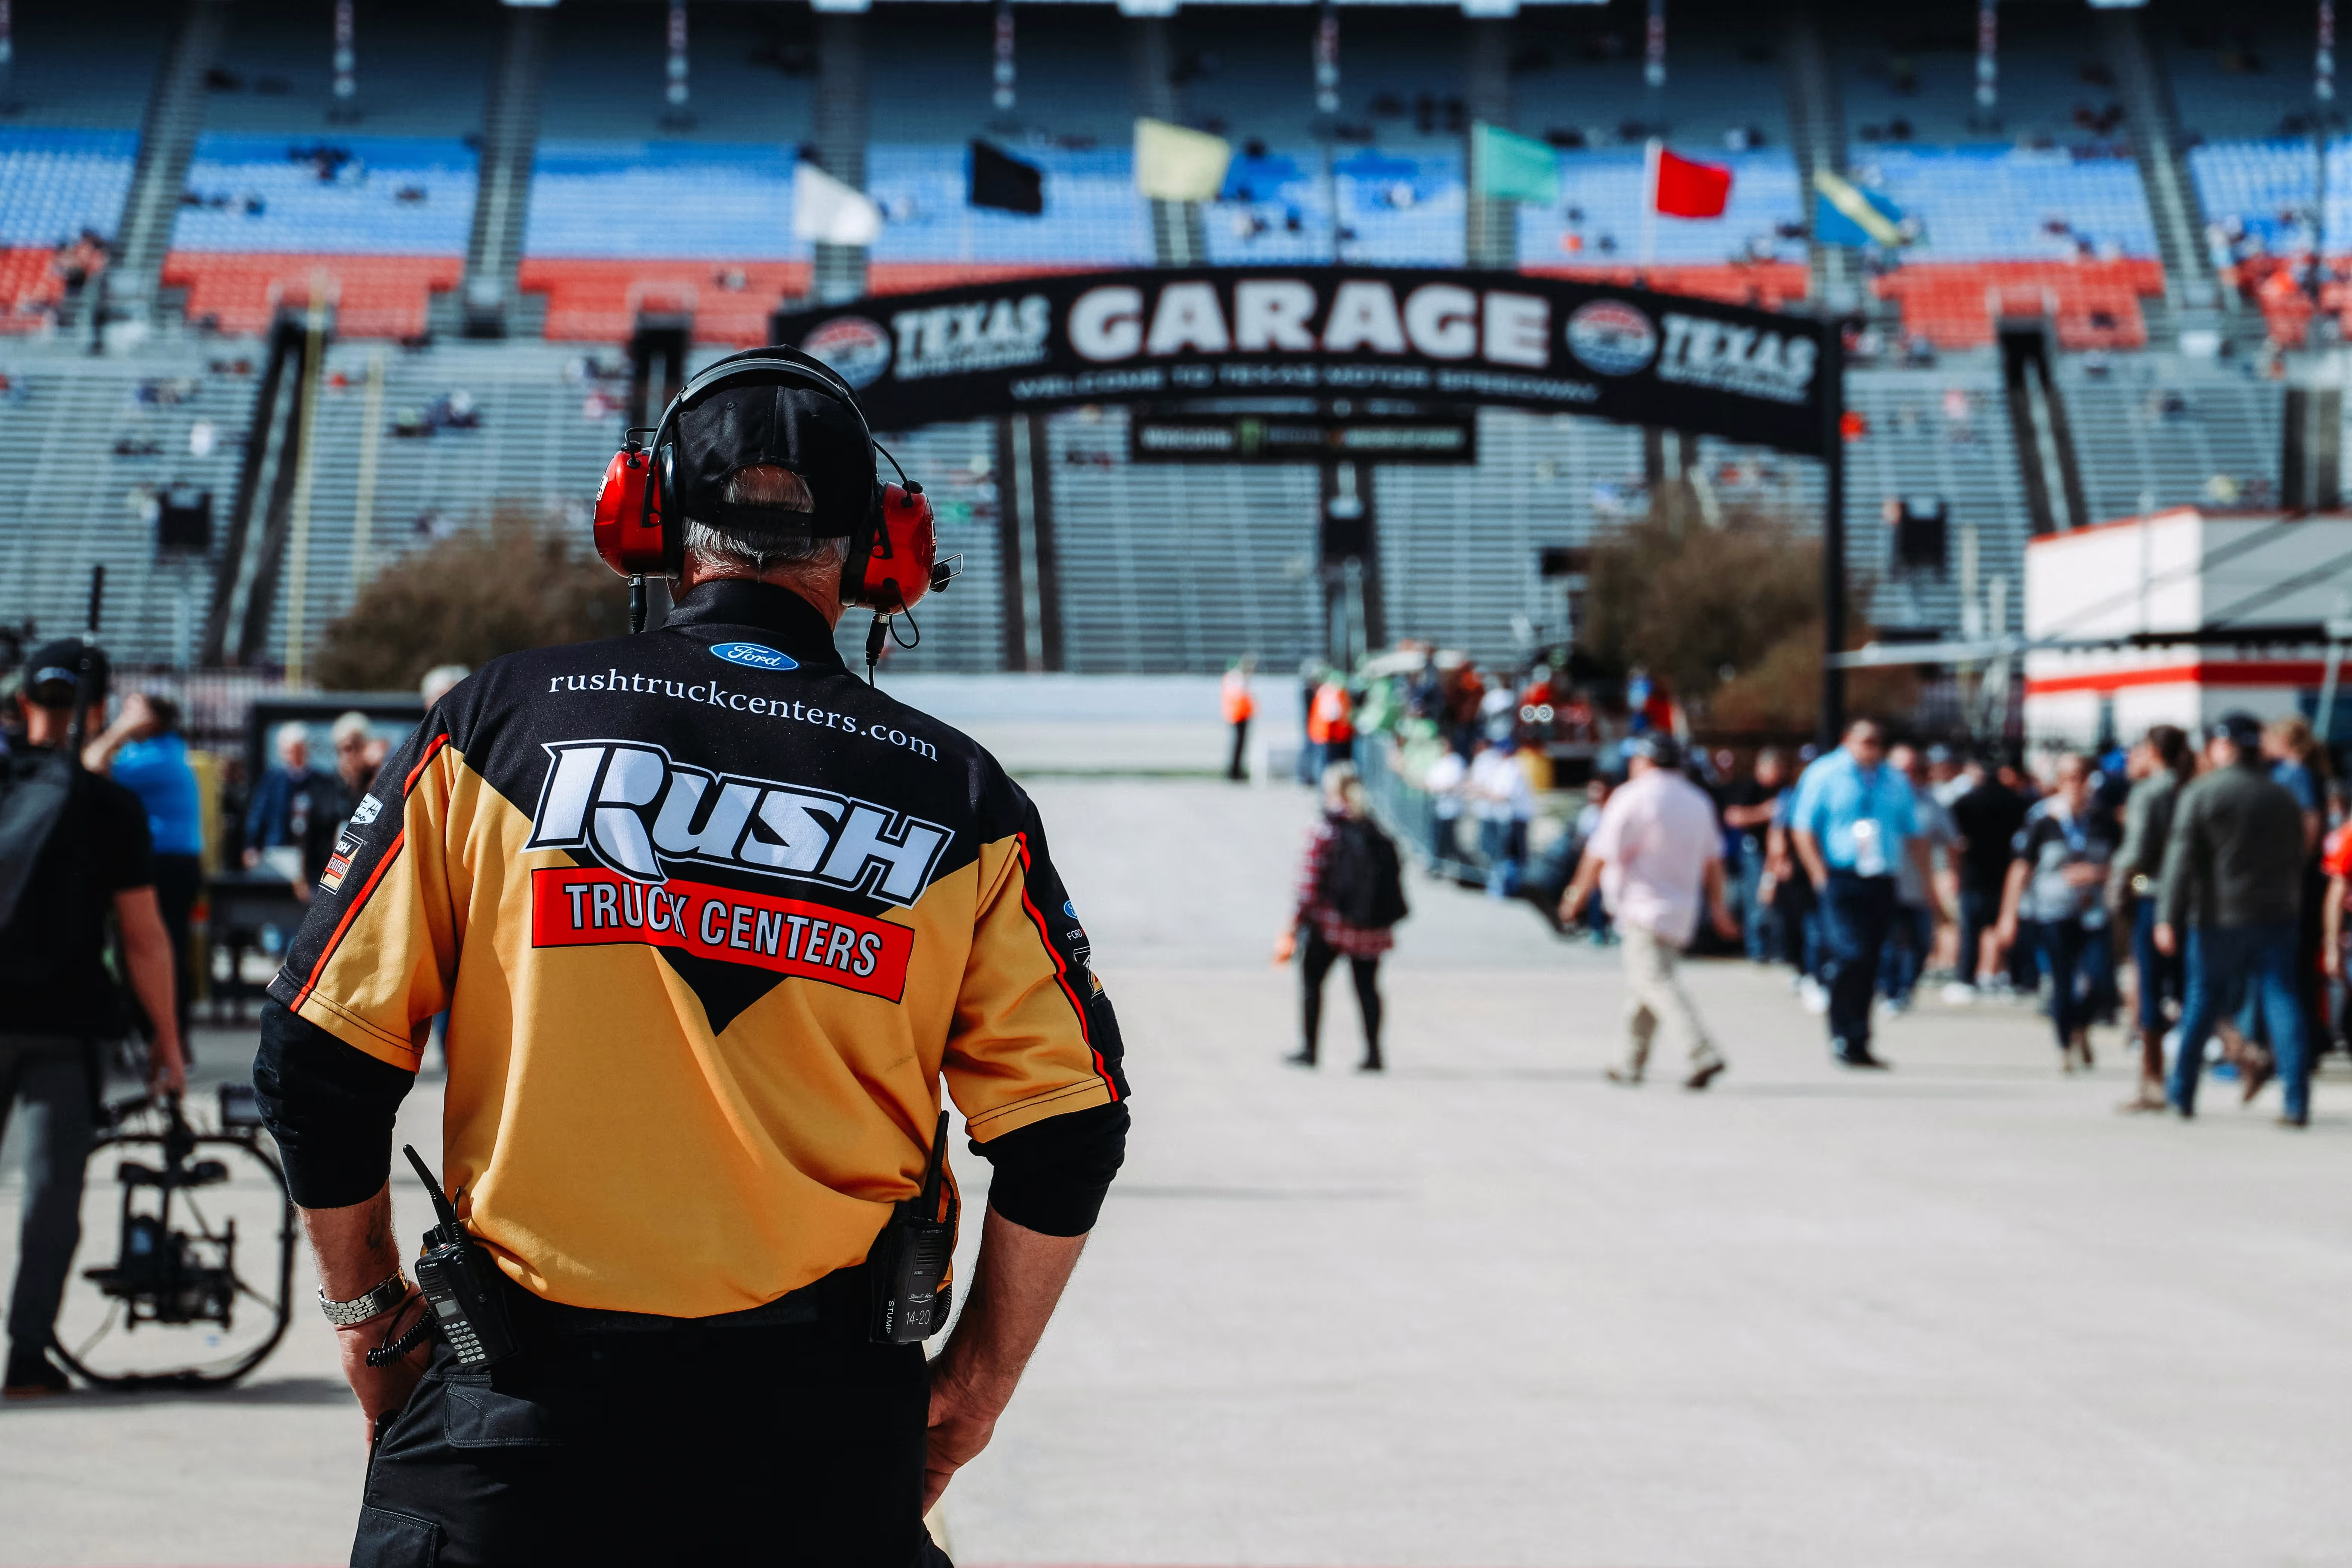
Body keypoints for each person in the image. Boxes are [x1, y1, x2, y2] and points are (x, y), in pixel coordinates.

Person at [252, 348, 1130, 1561]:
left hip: (512, 1426)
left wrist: (369, 1318)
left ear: (646, 521)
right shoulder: (964, 798)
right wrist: (971, 1393)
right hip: (820, 1446)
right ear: (882, 550)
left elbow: (316, 1054)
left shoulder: (492, 727)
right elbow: (1068, 1126)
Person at [2, 640, 186, 1398]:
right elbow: (142, 937)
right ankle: (28, 1356)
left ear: (23, 705)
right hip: (67, 1022)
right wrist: (167, 1040)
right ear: (102, 709)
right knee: (51, 1195)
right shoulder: (110, 807)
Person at [2156, 712, 2312, 1126]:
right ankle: (2296, 1101)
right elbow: (2298, 854)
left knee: (2202, 1002)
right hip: (2276, 914)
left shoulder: (2203, 793)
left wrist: (2167, 916)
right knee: (2282, 1000)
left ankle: (2182, 1093)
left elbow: (2180, 859)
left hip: (2217, 917)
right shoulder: (2281, 796)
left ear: (2222, 746)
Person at [1557, 733, 1738, 1089]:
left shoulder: (1633, 797)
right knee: (1645, 985)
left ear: (1645, 761)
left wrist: (1575, 895)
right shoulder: (1697, 801)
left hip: (1641, 908)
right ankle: (1629, 1062)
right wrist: (1719, 907)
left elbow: (1601, 852)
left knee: (1654, 983)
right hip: (1682, 909)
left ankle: (1701, 1051)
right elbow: (1714, 862)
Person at [1787, 720, 1945, 1069]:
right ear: (1848, 740)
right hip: (1841, 876)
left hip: (1880, 877)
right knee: (1850, 953)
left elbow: (1914, 834)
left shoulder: (1894, 780)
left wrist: (1928, 884)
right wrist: (1819, 874)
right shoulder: (1826, 773)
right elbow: (1802, 828)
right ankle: (1841, 1032)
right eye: (1866, 741)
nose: (1872, 748)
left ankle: (1859, 1038)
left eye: (1877, 741)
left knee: (1873, 959)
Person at [84, 692, 204, 1046]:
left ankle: (165, 1041)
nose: (124, 713)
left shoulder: (158, 756)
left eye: (133, 709)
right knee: (157, 948)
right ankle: (159, 1038)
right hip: (169, 861)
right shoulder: (152, 751)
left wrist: (119, 729)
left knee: (157, 950)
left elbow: (90, 766)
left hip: (167, 863)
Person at [1276, 761, 1404, 1072]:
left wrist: (1294, 924)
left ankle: (1310, 1050)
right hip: (1370, 925)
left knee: (1312, 982)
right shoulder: (1374, 825)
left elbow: (1308, 886)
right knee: (1367, 987)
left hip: (1330, 923)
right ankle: (1373, 1054)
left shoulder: (1325, 829)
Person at [1995, 753, 2118, 1072]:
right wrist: (2009, 915)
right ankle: (2065, 1046)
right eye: (2067, 778)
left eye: (2080, 778)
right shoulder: (2044, 820)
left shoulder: (2104, 821)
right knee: (2062, 982)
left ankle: (2082, 1025)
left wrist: (2099, 874)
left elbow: (2131, 871)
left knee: (2101, 980)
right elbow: (2020, 868)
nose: (2074, 785)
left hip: (2095, 912)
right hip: (2053, 911)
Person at [2108, 725, 2193, 1111]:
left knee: (2150, 988)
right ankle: (2236, 1046)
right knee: (2189, 985)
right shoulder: (2191, 786)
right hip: (2190, 896)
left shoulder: (2149, 792)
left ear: (2154, 752)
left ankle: (2153, 1080)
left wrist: (2123, 882)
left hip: (2152, 893)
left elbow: (2138, 855)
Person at [1946, 755, 2030, 1000]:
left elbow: (1955, 839)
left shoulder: (1967, 801)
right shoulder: (2017, 802)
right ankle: (2015, 978)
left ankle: (1967, 978)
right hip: (2005, 873)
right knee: (2009, 929)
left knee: (1971, 932)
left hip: (1975, 873)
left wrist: (1955, 870)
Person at [1881, 743, 1955, 1016]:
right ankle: (1890, 990)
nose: (1907, 775)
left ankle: (1906, 988)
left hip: (1919, 885)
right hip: (1885, 883)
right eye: (1901, 770)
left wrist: (1949, 874)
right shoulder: (1879, 798)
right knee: (1889, 941)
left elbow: (1950, 840)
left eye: (1912, 769)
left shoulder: (1929, 802)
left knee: (1920, 940)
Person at [242, 721, 344, 892]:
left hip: (312, 857)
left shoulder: (322, 782)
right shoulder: (272, 781)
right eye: (289, 751)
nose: (294, 756)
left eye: (298, 750)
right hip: (277, 851)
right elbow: (258, 814)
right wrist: (251, 845)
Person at [1719, 747, 1788, 963]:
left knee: (1777, 903)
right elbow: (1733, 816)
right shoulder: (1748, 788)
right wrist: (1764, 812)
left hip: (1779, 855)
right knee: (1756, 903)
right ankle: (1757, 949)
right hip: (1754, 853)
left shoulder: (1784, 791)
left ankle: (1777, 949)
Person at [1467, 725, 1534, 898]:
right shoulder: (1504, 766)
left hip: (1516, 818)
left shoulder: (1514, 767)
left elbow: (1503, 796)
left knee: (1510, 856)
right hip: (1507, 818)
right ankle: (1504, 887)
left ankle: (1508, 889)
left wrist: (1482, 792)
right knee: (1503, 854)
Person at [1221, 657, 1256, 782]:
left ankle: (1235, 769)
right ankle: (1235, 771)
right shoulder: (1235, 678)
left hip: (1238, 714)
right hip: (1239, 715)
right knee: (1239, 745)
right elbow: (1240, 694)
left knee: (1239, 744)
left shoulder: (1231, 678)